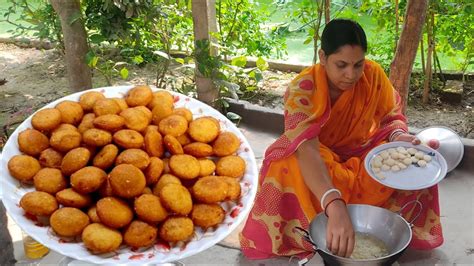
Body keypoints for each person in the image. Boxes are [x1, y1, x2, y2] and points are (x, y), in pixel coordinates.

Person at [239, 19, 443, 260]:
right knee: (285, 164)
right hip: (321, 160)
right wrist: (334, 203)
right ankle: (308, 230)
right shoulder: (302, 90)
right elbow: (308, 150)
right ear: (323, 57)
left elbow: (391, 118)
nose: (351, 74)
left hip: (364, 153)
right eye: (342, 65)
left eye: (358, 64)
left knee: (417, 161)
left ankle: (387, 225)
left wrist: (399, 137)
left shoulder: (373, 75)